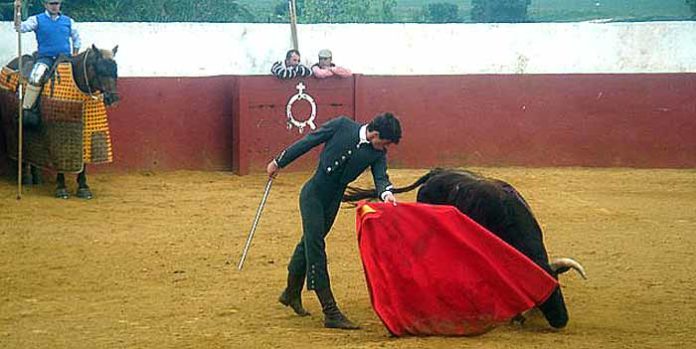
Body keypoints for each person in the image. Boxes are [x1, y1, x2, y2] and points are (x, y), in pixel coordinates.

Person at [267, 112, 402, 330]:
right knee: (316, 246)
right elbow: (308, 141)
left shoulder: (378, 154)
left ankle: (291, 293)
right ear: (375, 134)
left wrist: (386, 194)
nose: (384, 148)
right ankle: (330, 310)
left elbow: (381, 178)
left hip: (332, 202)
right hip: (312, 195)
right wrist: (279, 161)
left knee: (310, 243)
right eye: (384, 142)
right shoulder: (342, 125)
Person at [14, 0, 81, 119]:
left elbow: (76, 39)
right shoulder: (37, 19)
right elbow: (20, 28)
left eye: (57, 3)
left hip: (65, 58)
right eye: (52, 3)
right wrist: (16, 10)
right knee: (36, 76)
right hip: (46, 57)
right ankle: (27, 109)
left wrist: (75, 53)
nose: (55, 6)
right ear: (45, 5)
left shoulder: (68, 21)